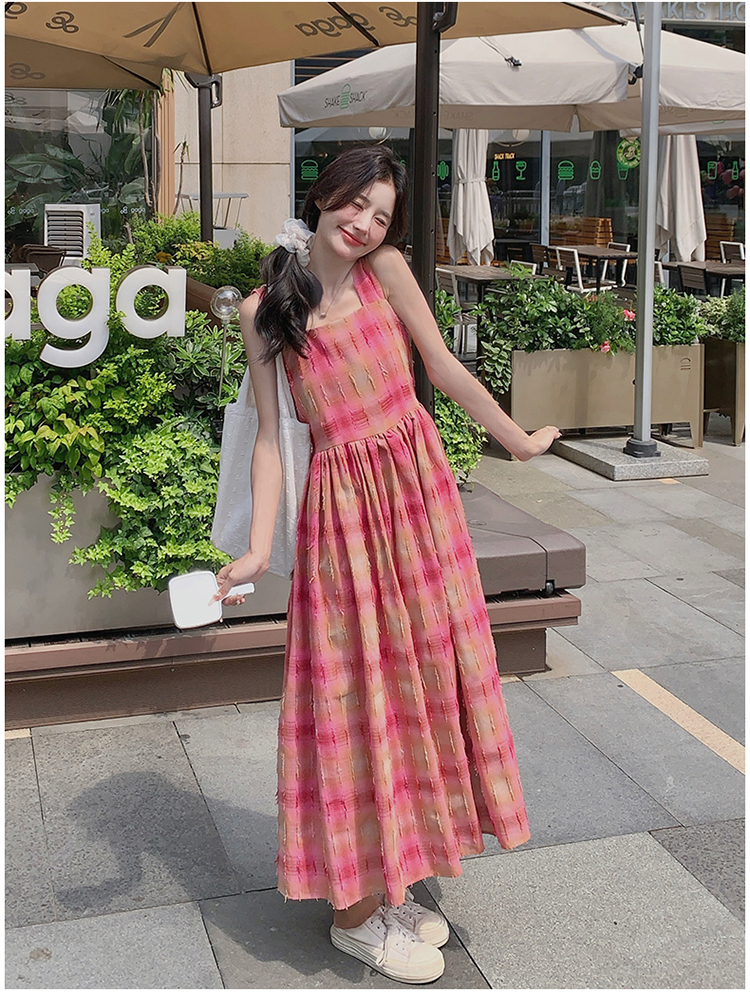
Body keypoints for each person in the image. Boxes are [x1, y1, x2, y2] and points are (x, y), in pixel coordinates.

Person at [213, 146, 561, 984]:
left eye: (381, 214)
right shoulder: (267, 311)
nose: (365, 223)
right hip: (343, 516)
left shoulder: (388, 273)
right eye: (355, 203)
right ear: (323, 196)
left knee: (418, 683)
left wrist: (516, 440)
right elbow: (271, 440)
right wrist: (255, 549)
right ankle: (353, 914)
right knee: (354, 694)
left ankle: (390, 880)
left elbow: (441, 367)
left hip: (419, 496)